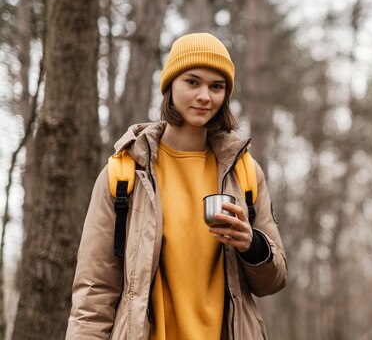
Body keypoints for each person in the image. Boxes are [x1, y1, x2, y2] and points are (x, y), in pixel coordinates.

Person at [66, 33, 287, 339]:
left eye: (216, 86)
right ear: (170, 85)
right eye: (192, 82)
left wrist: (252, 244)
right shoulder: (124, 173)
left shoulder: (245, 172)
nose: (204, 96)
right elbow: (94, 291)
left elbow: (273, 280)